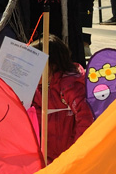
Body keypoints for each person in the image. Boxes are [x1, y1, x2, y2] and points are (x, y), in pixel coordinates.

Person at [31, 35, 94, 164]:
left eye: (36, 67)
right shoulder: (37, 88)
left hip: (71, 154)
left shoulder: (70, 86)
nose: (32, 72)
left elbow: (85, 117)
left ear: (52, 66)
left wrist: (78, 150)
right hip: (46, 155)